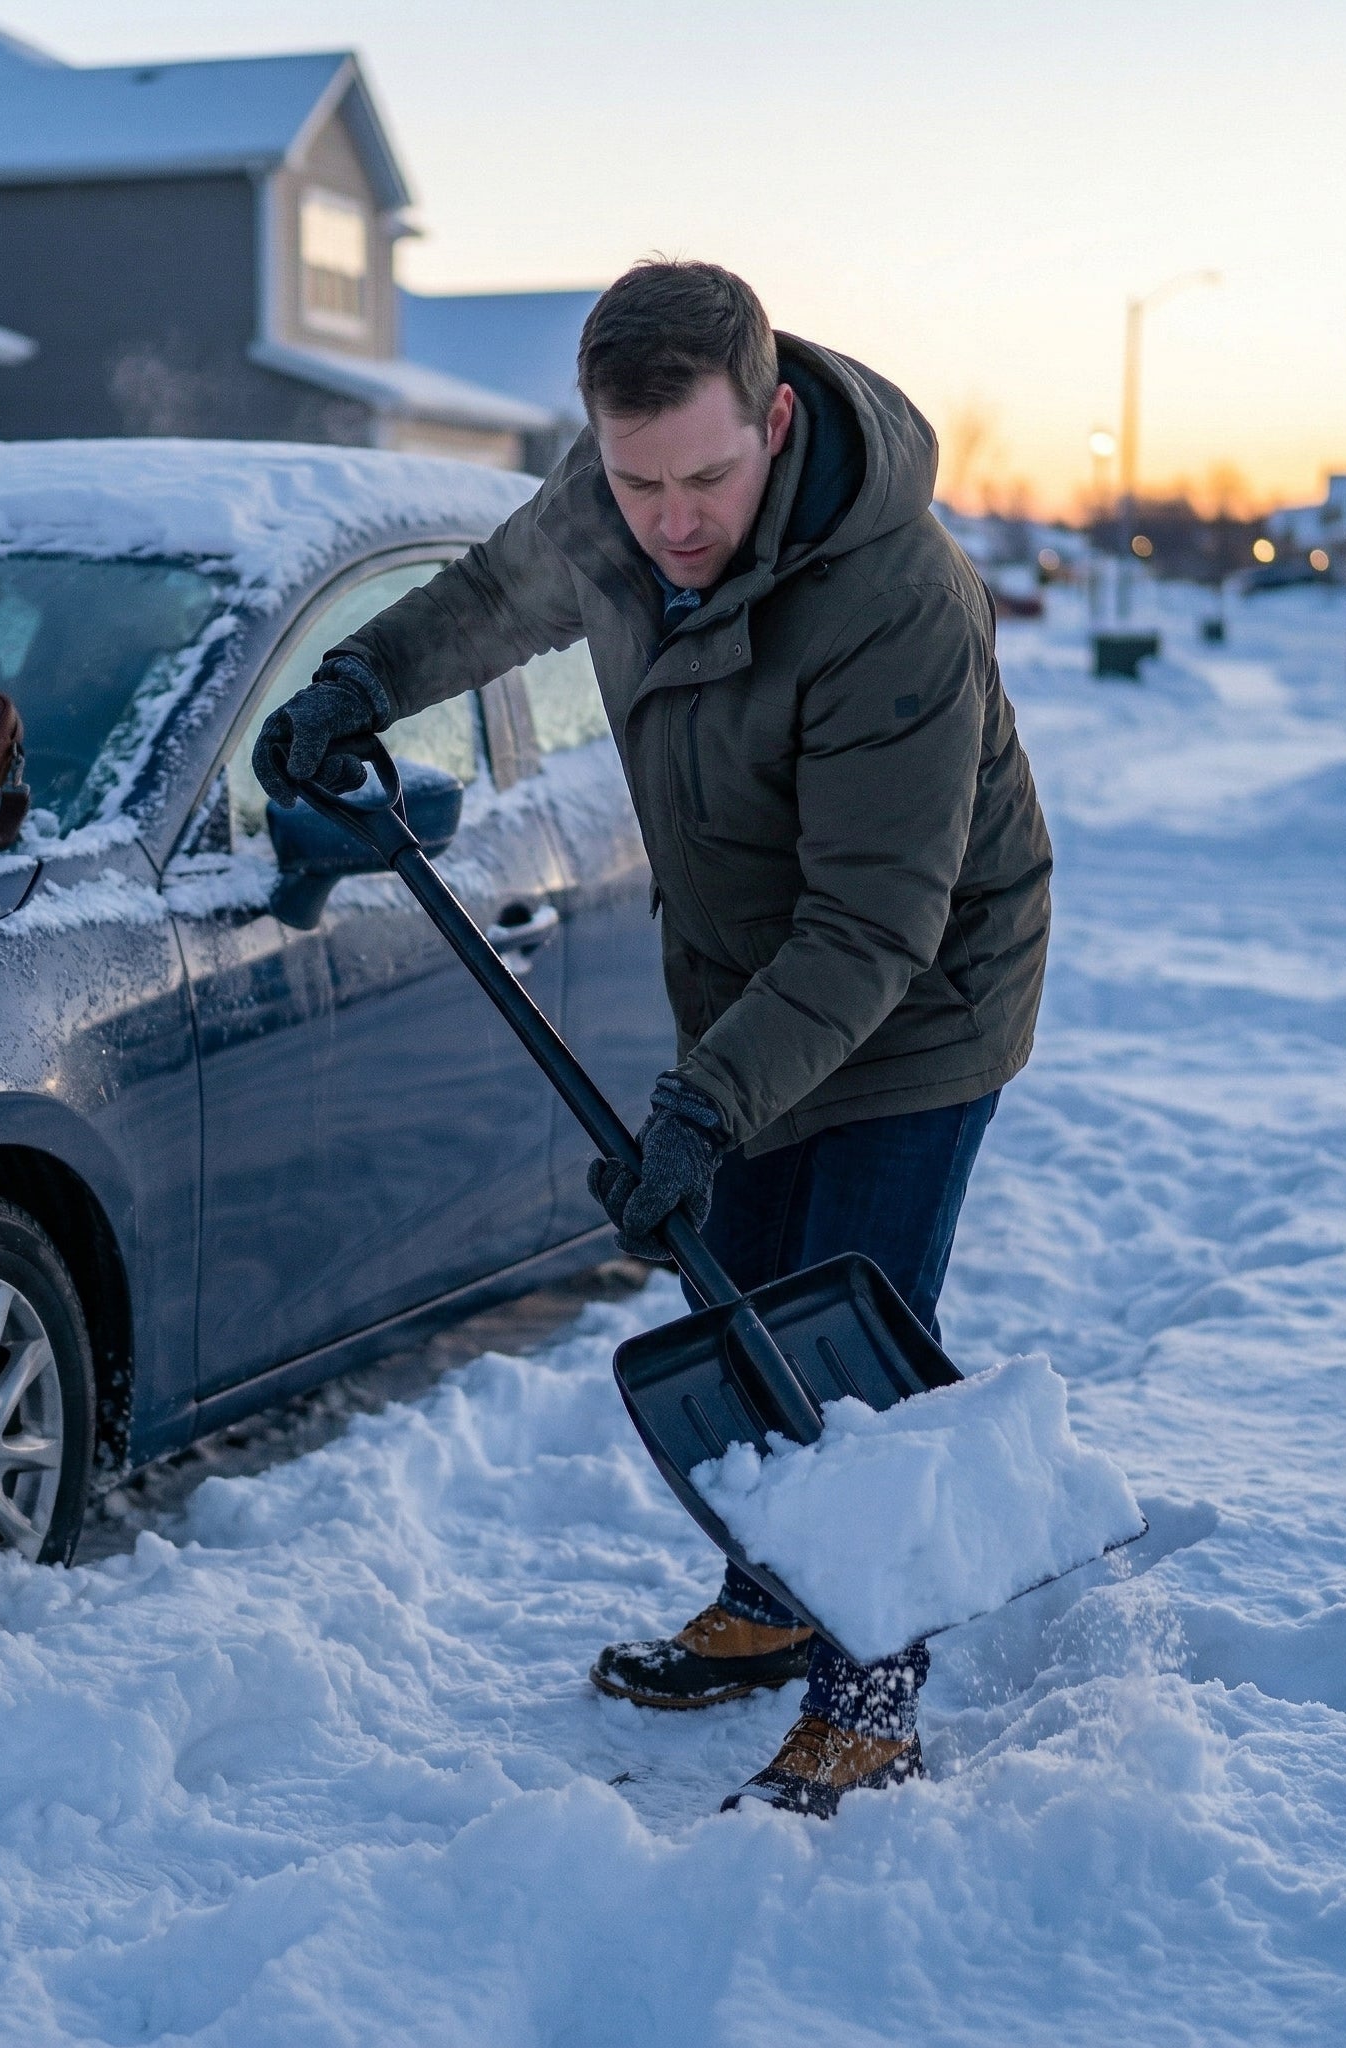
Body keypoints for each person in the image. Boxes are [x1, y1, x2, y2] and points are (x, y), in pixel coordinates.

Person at [253, 259, 1051, 1817]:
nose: (671, 520)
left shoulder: (896, 599)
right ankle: (770, 1595)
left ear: (774, 418)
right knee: (739, 1275)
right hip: (750, 966)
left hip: (920, 990)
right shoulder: (618, 499)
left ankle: (869, 1689)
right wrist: (362, 681)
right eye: (635, 482)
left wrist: (700, 1100)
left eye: (705, 477)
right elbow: (495, 599)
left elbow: (874, 928)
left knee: (848, 1328)